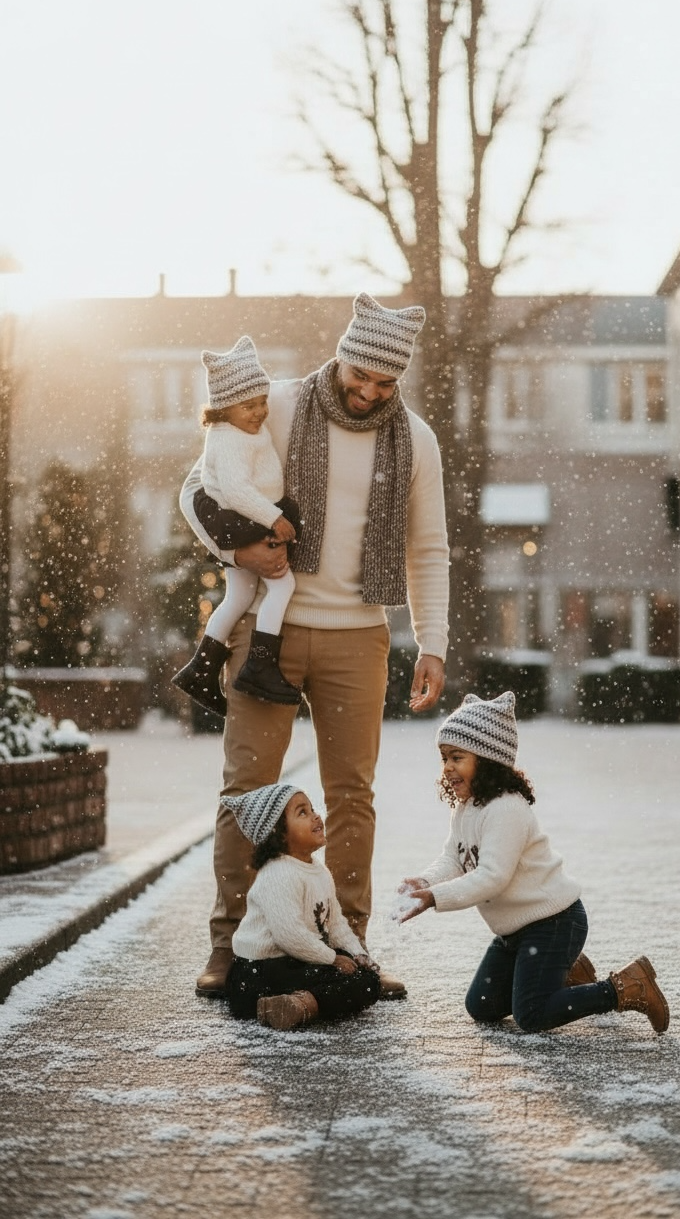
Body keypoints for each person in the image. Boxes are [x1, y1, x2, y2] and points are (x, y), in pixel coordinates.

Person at [180, 292, 449, 1002]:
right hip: (267, 625)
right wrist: (237, 542)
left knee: (351, 798)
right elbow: (197, 485)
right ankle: (226, 944)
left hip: (359, 635)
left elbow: (429, 549)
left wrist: (432, 642)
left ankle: (349, 949)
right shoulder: (277, 402)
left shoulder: (415, 439)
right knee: (246, 793)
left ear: (400, 381)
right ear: (342, 354)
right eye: (359, 373)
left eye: (384, 383)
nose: (366, 391)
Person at [398, 692, 670, 1035]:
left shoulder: (506, 809)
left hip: (553, 922)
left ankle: (627, 987)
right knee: (481, 1005)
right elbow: (454, 857)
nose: (447, 767)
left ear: (487, 759)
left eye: (457, 757)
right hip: (514, 931)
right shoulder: (467, 807)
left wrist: (436, 898)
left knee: (532, 1014)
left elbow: (492, 877)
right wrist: (425, 883)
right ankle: (568, 976)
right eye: (443, 758)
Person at [172, 335, 302, 714]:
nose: (260, 411)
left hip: (247, 519)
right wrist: (274, 518)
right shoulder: (228, 440)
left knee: (239, 597)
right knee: (283, 584)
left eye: (263, 402)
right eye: (249, 406)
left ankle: (201, 668)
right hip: (243, 522)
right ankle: (260, 664)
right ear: (224, 409)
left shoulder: (242, 429)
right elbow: (237, 490)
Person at [223, 781, 381, 1031]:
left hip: (294, 963)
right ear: (278, 835)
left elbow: (335, 922)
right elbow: (290, 936)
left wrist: (358, 953)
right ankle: (301, 1003)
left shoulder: (318, 870)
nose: (316, 816)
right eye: (302, 813)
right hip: (259, 972)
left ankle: (295, 1004)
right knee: (354, 981)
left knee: (368, 979)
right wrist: (332, 959)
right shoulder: (279, 874)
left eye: (312, 808)